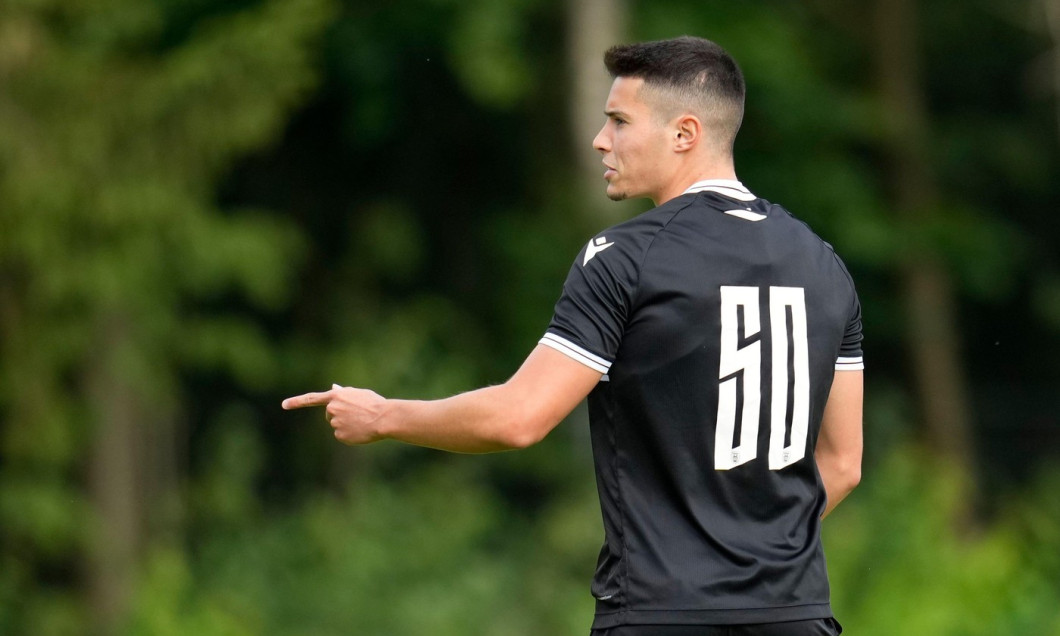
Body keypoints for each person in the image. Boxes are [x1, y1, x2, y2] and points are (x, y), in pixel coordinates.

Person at [283, 36, 863, 636]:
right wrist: (757, 549)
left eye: (618, 121)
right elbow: (843, 464)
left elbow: (519, 418)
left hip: (662, 615)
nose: (600, 140)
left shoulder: (625, 257)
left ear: (684, 133)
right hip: (796, 616)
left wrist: (382, 416)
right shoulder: (826, 265)